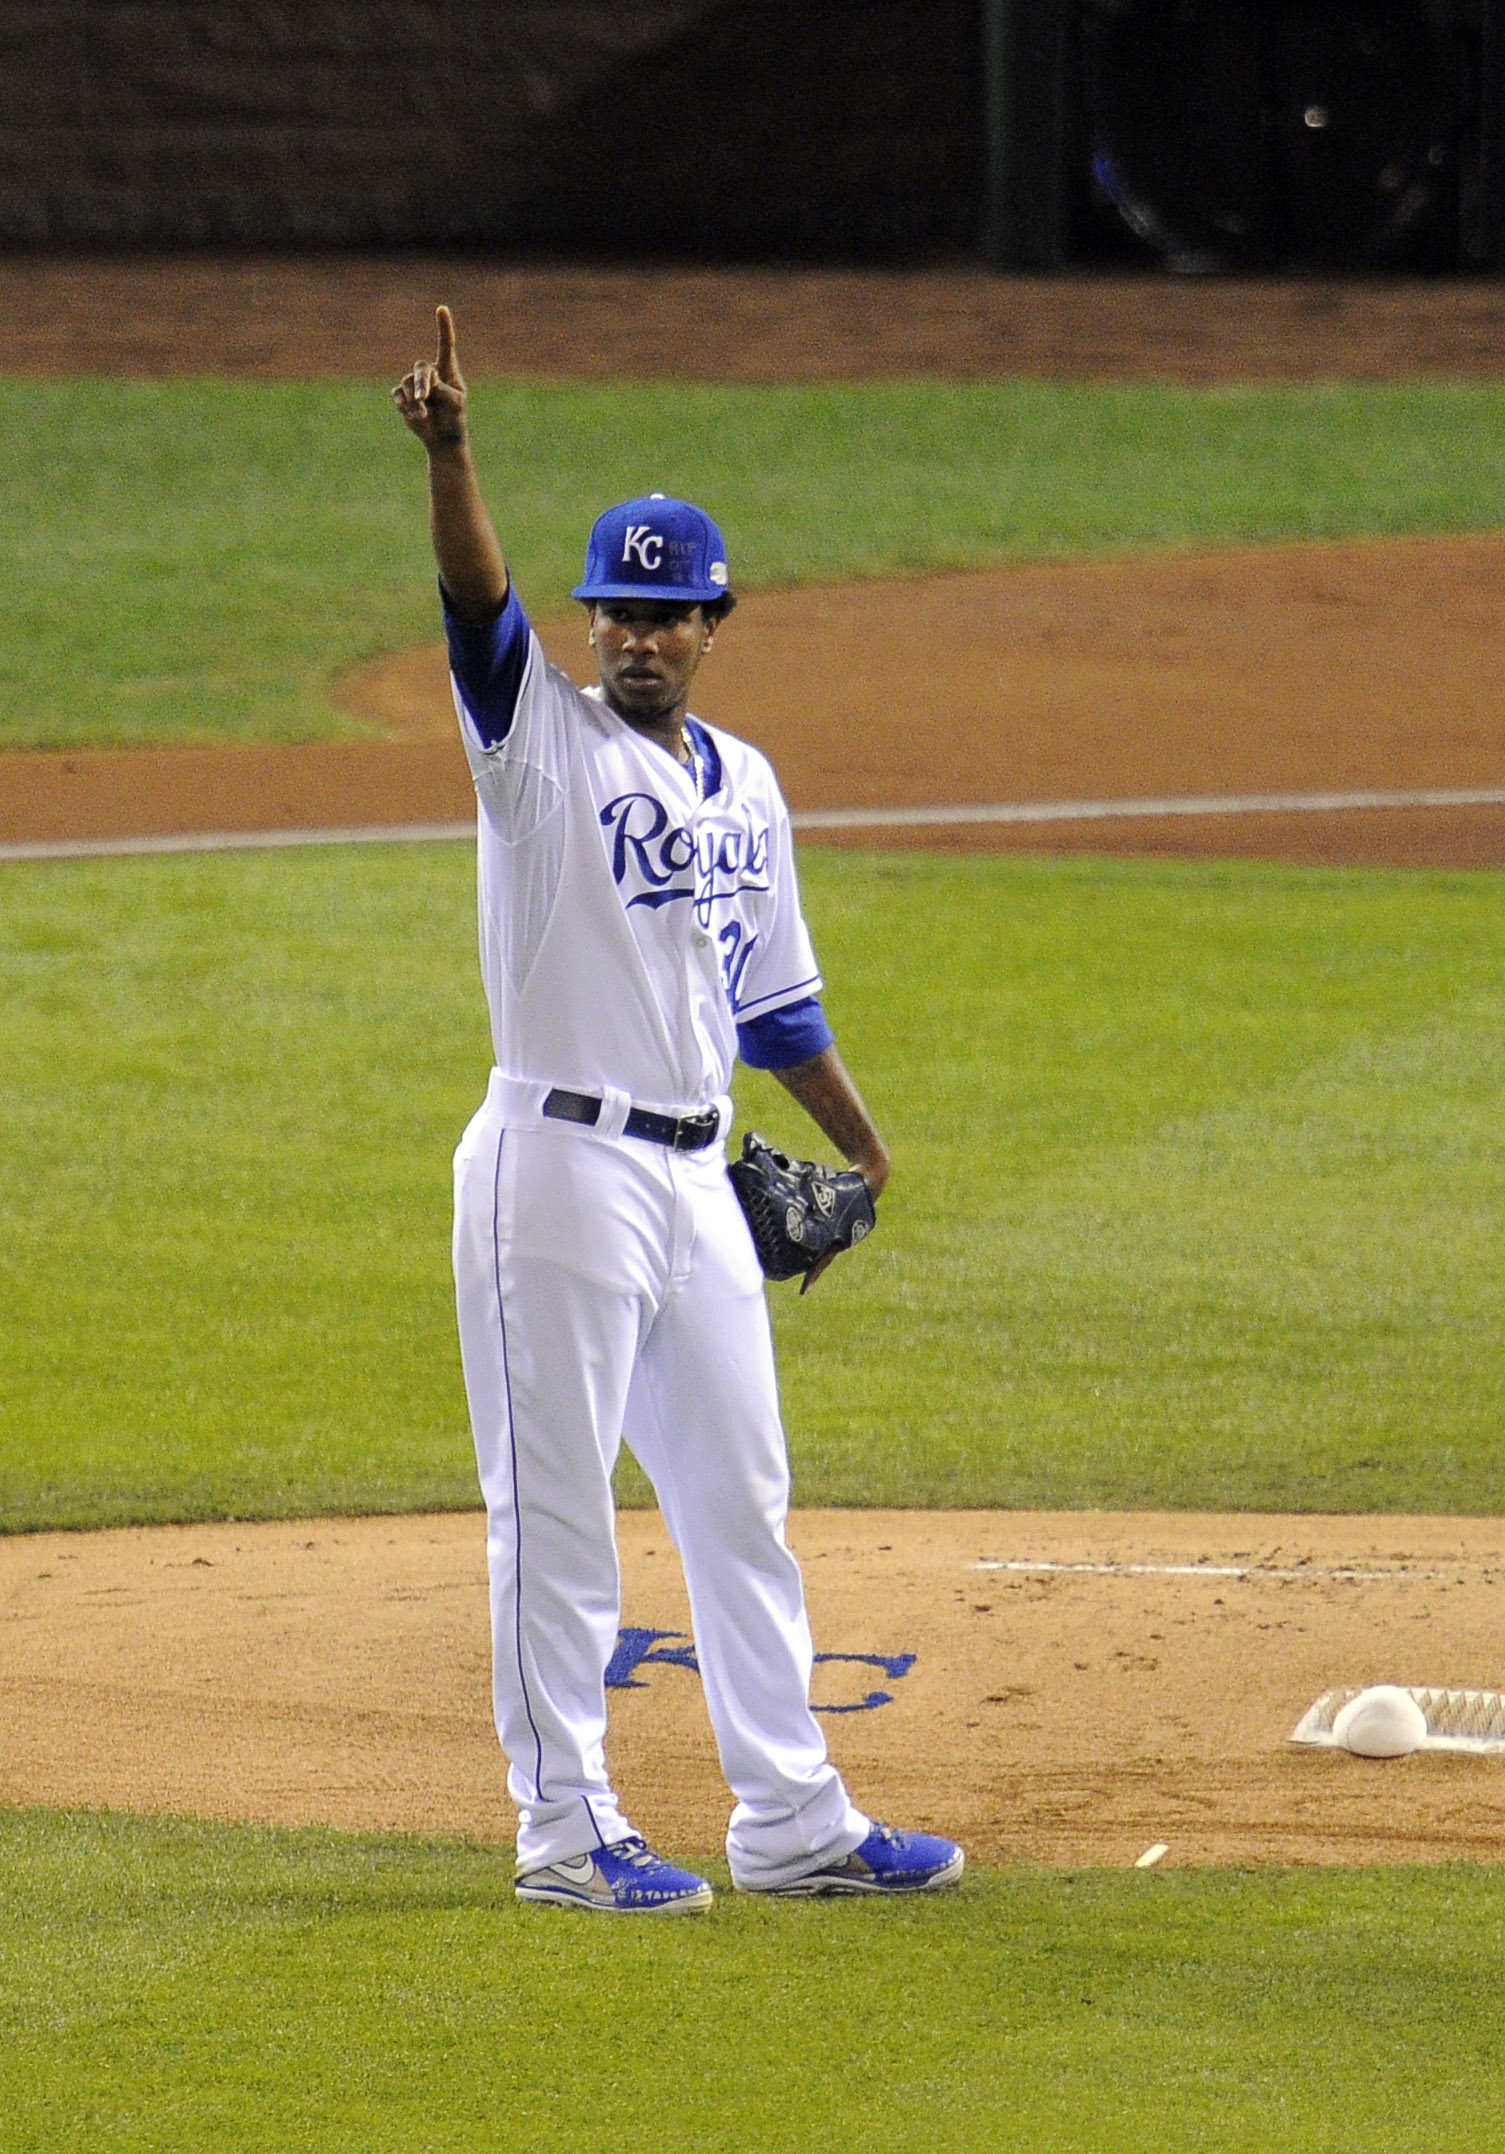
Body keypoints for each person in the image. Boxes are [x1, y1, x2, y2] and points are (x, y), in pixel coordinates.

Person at [393, 307, 964, 1913]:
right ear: (586, 620)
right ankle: (563, 1828)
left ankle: (790, 1816)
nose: (633, 636)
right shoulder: (534, 746)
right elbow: (474, 607)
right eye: (614, 611)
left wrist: (859, 1139)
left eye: (665, 613)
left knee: (740, 1500)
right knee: (557, 1514)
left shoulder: (750, 784)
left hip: (698, 1182)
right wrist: (454, 456)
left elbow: (772, 1002)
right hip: (552, 1169)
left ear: (713, 621)